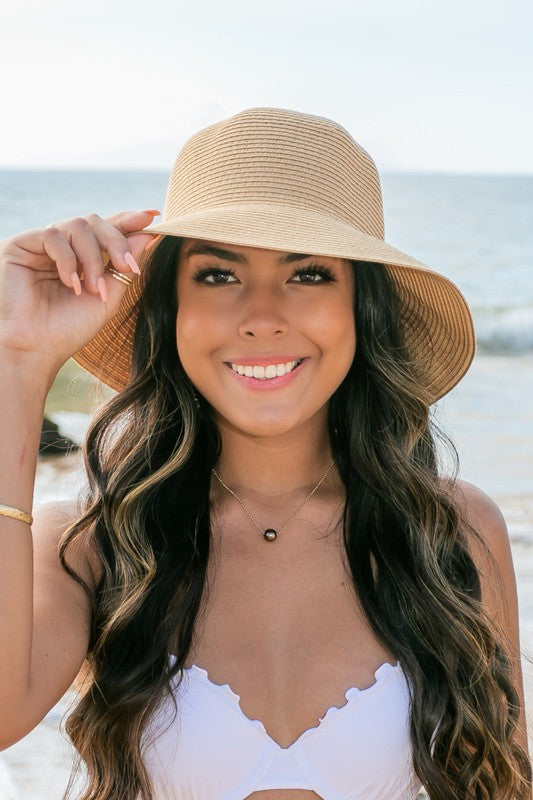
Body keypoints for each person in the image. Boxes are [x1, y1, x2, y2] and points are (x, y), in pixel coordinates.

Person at [0, 107, 530, 800]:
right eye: (217, 276)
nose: (262, 315)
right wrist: (18, 362)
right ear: (170, 310)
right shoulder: (94, 545)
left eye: (307, 274)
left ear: (358, 309)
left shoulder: (451, 532)